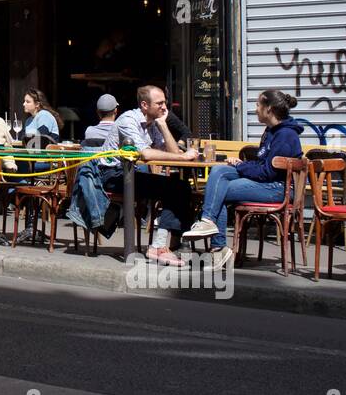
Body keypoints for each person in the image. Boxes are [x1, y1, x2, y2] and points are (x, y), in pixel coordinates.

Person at [181, 90, 305, 268]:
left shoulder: (286, 135)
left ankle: (217, 248)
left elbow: (267, 172)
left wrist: (240, 166)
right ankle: (209, 227)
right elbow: (263, 165)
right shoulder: (270, 131)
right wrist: (239, 164)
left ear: (268, 109)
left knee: (219, 192)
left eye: (257, 105)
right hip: (267, 182)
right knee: (219, 171)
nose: (255, 109)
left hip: (279, 188)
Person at [95, 85, 198, 265]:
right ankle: (159, 247)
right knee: (174, 188)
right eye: (159, 103)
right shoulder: (128, 120)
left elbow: (174, 156)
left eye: (165, 102)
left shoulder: (154, 122)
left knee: (180, 186)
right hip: (111, 175)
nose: (164, 107)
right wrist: (183, 155)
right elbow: (146, 154)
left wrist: (164, 126)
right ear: (144, 105)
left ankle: (173, 244)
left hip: (129, 173)